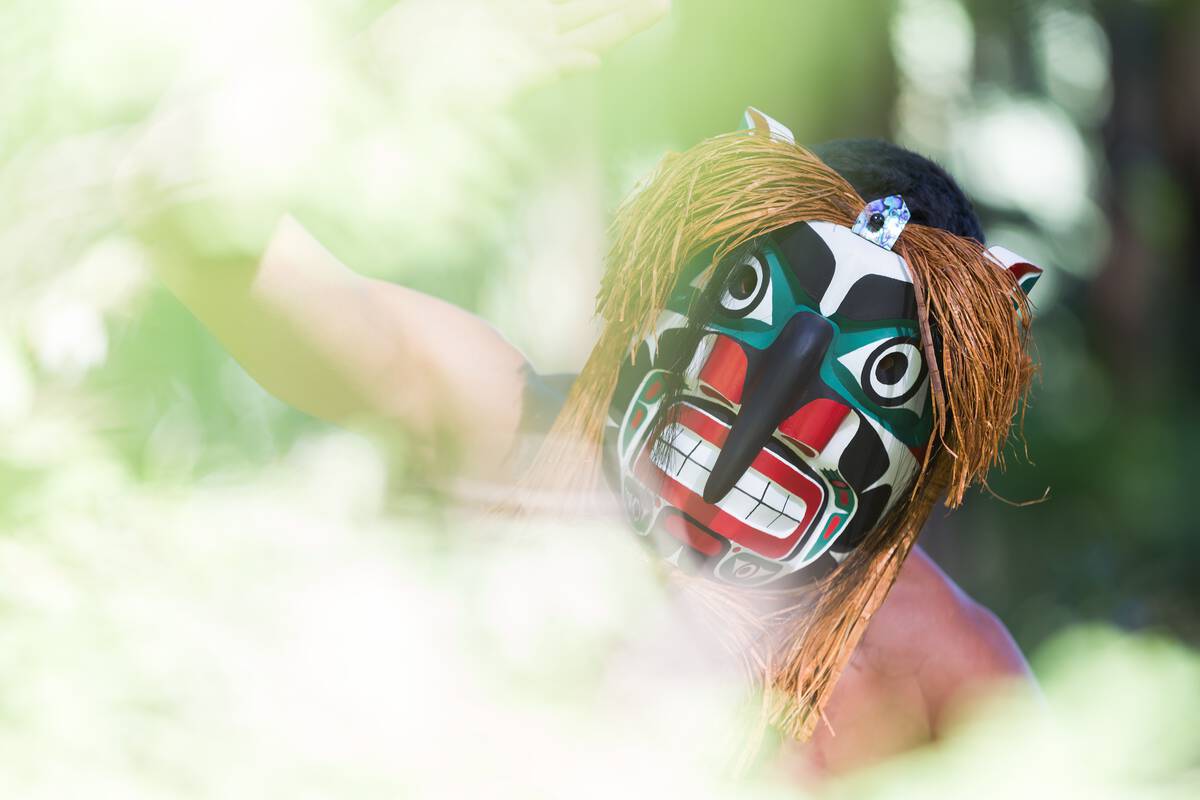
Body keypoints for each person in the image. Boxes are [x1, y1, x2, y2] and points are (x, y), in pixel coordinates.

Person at [146, 2, 1043, 783]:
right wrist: (388, 81)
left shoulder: (940, 679)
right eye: (749, 302)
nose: (759, 408)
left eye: (871, 374)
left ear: (932, 441)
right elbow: (173, 200)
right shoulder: (505, 427)